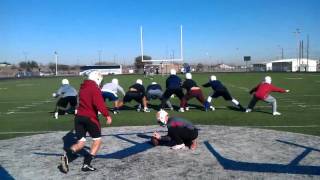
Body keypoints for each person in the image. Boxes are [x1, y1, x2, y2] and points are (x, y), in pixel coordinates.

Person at [60, 71, 112, 173]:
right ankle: (87, 164)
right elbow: (99, 104)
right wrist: (107, 115)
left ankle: (66, 157)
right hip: (90, 118)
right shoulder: (94, 88)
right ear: (97, 79)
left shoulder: (82, 88)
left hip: (79, 117)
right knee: (97, 140)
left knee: (81, 143)